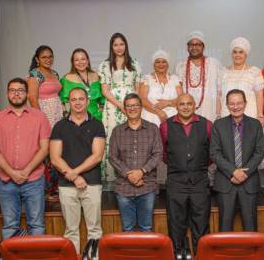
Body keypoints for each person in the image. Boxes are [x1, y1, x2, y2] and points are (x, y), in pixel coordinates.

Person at [0, 78, 50, 239]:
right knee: (9, 226)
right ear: (7, 93)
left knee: (36, 225)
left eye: (20, 90)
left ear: (27, 94)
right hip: (7, 181)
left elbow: (45, 148)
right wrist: (12, 172)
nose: (16, 93)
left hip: (34, 180)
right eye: (12, 90)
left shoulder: (40, 117)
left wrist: (26, 171)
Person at [50, 87, 105, 253]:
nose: (78, 103)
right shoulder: (59, 126)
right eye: (74, 100)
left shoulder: (97, 124)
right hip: (66, 185)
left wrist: (75, 173)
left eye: (81, 99)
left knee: (95, 230)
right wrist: (74, 177)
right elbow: (54, 158)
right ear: (68, 103)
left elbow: (97, 156)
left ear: (87, 101)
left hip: (92, 184)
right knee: (70, 231)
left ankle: (92, 258)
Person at [160, 93, 212, 257]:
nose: (185, 106)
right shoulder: (165, 126)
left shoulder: (207, 125)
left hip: (200, 182)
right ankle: (177, 255)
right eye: (182, 104)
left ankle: (201, 256)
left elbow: (211, 153)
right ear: (176, 106)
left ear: (194, 105)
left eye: (189, 103)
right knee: (176, 226)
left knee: (201, 226)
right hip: (176, 182)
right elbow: (163, 154)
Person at [210, 89, 264, 231]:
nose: (236, 107)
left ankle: (253, 254)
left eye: (239, 103)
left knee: (250, 227)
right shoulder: (218, 125)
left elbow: (259, 153)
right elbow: (214, 153)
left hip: (249, 183)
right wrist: (233, 171)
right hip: (226, 183)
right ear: (227, 105)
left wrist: (244, 174)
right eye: (232, 103)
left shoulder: (255, 124)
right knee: (225, 227)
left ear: (245, 104)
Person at [109, 93, 162, 232]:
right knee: (127, 228)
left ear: (141, 107)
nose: (132, 108)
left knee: (146, 227)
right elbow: (112, 157)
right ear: (125, 109)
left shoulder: (153, 129)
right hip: (124, 188)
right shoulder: (117, 131)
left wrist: (141, 172)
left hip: (147, 186)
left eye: (135, 105)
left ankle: (147, 255)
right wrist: (129, 174)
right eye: (129, 106)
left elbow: (158, 154)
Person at [99, 33, 143, 181]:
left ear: (126, 45)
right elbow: (105, 90)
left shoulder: (135, 63)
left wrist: (132, 106)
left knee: (131, 138)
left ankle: (133, 176)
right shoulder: (105, 65)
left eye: (121, 44)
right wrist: (120, 105)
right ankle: (111, 179)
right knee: (113, 139)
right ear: (111, 46)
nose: (119, 47)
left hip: (132, 106)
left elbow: (137, 90)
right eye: (115, 44)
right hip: (113, 107)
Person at [27, 45, 63, 201]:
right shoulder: (35, 74)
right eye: (44, 57)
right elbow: (32, 98)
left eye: (50, 56)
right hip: (44, 115)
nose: (48, 59)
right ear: (37, 59)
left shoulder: (54, 73)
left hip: (57, 114)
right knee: (46, 153)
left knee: (58, 150)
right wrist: (41, 120)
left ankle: (57, 187)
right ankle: (48, 190)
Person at [175, 30, 222, 122]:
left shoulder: (214, 63)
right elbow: (177, 92)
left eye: (198, 45)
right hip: (186, 112)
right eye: (191, 45)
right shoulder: (180, 66)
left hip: (209, 110)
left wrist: (218, 112)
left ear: (203, 47)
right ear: (187, 47)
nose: (194, 47)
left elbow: (220, 91)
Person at [219, 37, 264, 126]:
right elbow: (219, 96)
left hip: (249, 114)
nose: (237, 55)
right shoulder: (223, 72)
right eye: (235, 52)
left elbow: (259, 95)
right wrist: (218, 114)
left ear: (246, 54)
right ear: (231, 54)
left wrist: (260, 115)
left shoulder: (254, 71)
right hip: (226, 115)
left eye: (241, 52)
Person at [139, 50, 182, 127]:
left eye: (164, 62)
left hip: (173, 118)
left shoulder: (176, 79)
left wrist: (168, 103)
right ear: (153, 64)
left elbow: (181, 99)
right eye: (157, 62)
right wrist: (158, 112)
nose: (161, 64)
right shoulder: (146, 79)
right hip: (151, 117)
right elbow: (143, 100)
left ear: (168, 64)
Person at [60, 48, 105, 121]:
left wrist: (100, 111)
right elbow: (60, 99)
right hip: (76, 119)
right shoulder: (67, 78)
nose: (80, 62)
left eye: (83, 59)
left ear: (87, 60)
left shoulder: (96, 76)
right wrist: (65, 113)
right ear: (73, 62)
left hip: (96, 118)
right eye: (76, 60)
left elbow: (103, 98)